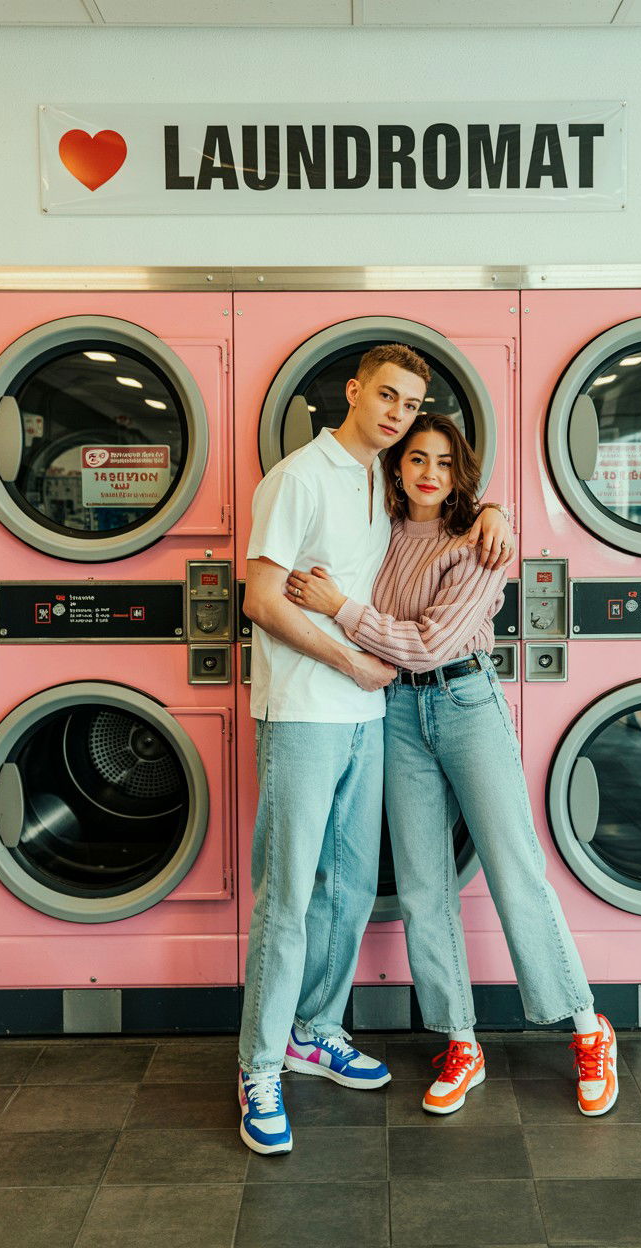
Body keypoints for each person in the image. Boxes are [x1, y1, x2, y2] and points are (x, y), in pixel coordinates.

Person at [286, 412, 618, 1119]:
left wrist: (341, 608)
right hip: (398, 715)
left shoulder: (480, 540)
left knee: (512, 866)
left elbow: (430, 642)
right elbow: (383, 624)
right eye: (416, 460)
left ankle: (587, 1027)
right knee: (422, 884)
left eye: (443, 461)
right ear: (397, 469)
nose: (429, 472)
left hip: (466, 701)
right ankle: (459, 1039)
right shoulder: (377, 532)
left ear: (461, 473)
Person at [238, 345, 513, 1155]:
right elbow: (259, 597)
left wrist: (494, 511)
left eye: (409, 403)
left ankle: (313, 1030)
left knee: (351, 887)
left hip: (366, 716)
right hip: (304, 712)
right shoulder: (298, 477)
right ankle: (259, 1071)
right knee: (287, 898)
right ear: (353, 393)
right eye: (386, 397)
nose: (396, 414)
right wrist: (352, 662)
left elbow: (444, 507)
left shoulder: (378, 479)